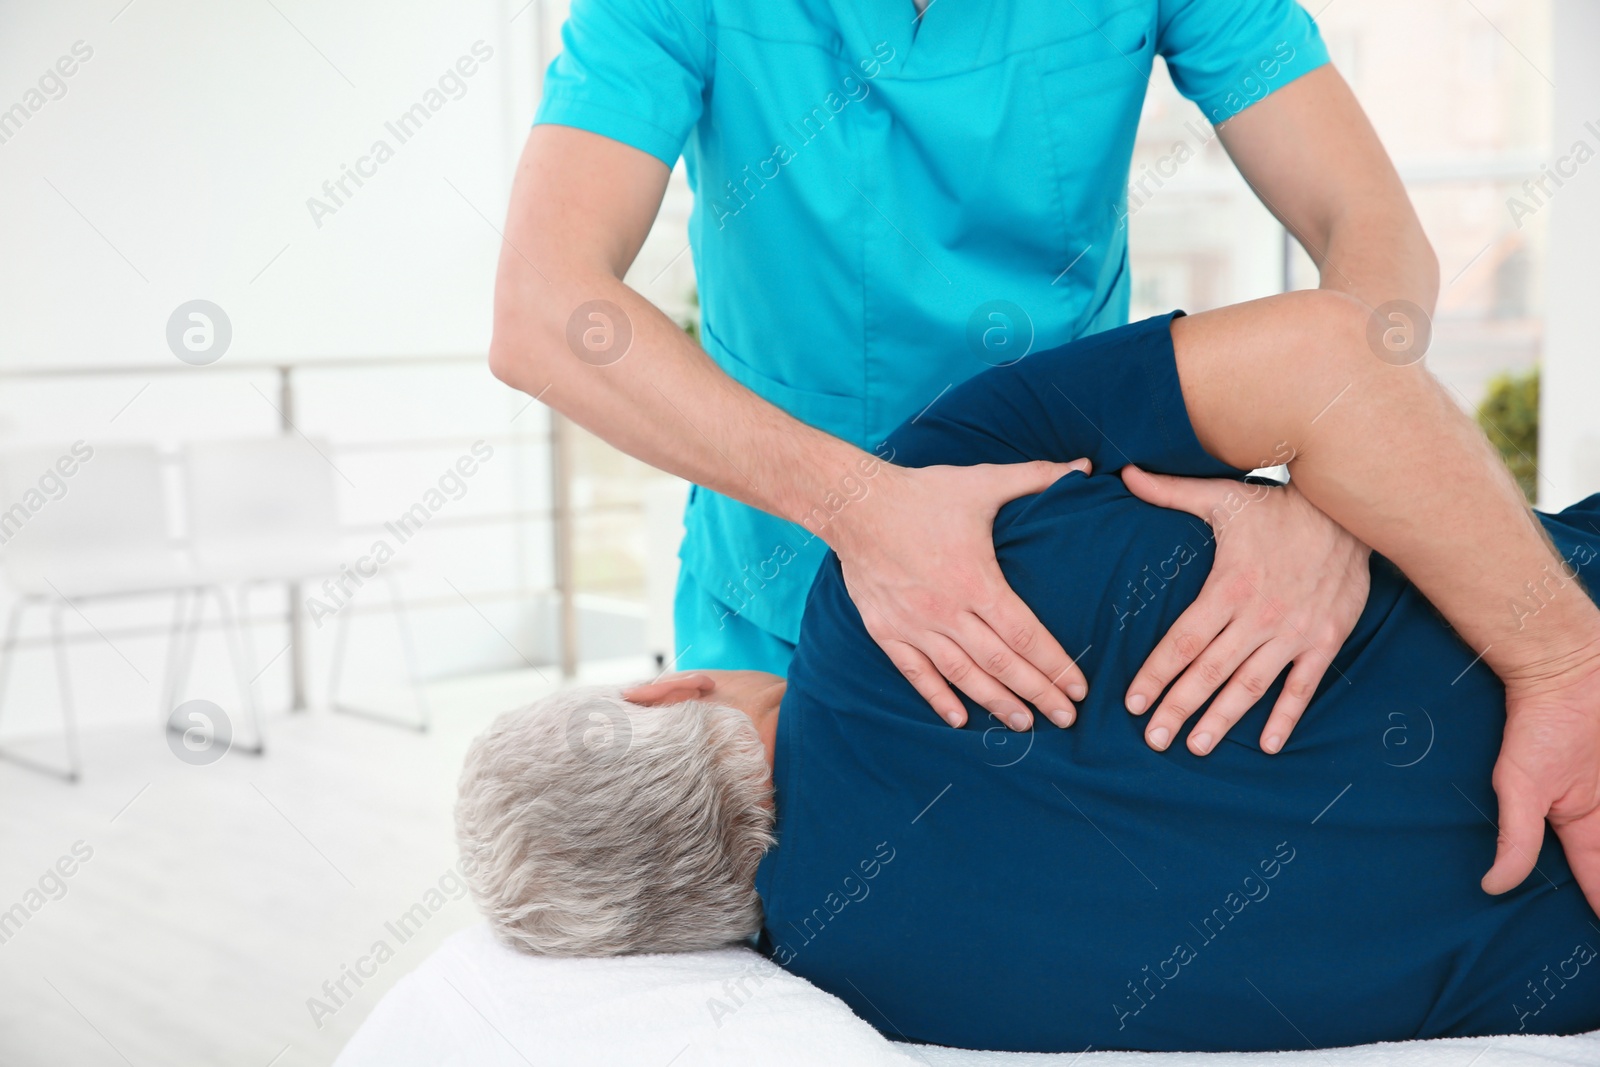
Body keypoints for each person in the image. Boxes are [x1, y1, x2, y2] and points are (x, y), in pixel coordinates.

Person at [457, 291, 1600, 1052]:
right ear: (667, 688)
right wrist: (1559, 659)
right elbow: (1338, 361)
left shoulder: (895, 996)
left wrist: (1315, 510)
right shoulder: (925, 510)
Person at [488, 0, 1438, 747]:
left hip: (1082, 582)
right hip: (780, 597)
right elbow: (542, 307)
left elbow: (1371, 226)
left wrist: (1337, 504)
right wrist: (863, 510)